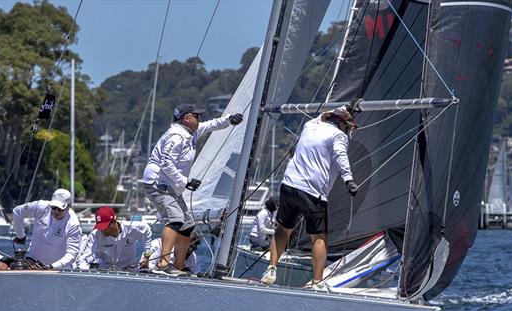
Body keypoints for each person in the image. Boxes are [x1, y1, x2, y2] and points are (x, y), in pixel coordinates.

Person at [261, 106, 359, 290]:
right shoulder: (339, 136)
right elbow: (340, 156)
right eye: (348, 126)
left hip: (289, 185)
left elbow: (323, 114)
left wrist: (343, 109)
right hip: (313, 191)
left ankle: (271, 269)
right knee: (319, 237)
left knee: (283, 228)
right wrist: (349, 180)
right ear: (342, 123)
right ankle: (317, 281)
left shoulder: (310, 125)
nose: (348, 130)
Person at [143, 102, 243, 275]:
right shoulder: (176, 136)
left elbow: (211, 125)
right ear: (186, 118)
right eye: (196, 116)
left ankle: (178, 266)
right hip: (158, 184)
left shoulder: (191, 132)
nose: (199, 119)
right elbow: (166, 163)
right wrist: (186, 182)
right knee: (175, 220)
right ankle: (163, 264)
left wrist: (229, 120)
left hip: (170, 186)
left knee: (187, 225)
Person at [11, 188, 82, 269]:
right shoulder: (40, 206)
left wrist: (51, 266)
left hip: (58, 269)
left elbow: (72, 255)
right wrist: (21, 237)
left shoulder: (74, 224)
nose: (56, 211)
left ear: (69, 207)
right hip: (32, 260)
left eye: (60, 209)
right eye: (54, 207)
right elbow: (17, 212)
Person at [76, 207, 153, 271]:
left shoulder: (132, 227)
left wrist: (146, 256)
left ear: (114, 221)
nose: (103, 231)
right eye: (100, 227)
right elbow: (84, 258)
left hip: (129, 269)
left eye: (105, 227)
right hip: (106, 270)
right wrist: (85, 271)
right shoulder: (95, 234)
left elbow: (147, 229)